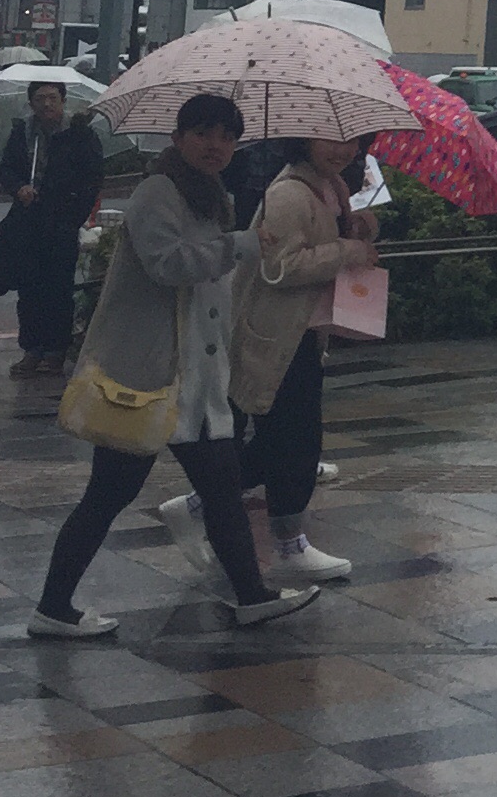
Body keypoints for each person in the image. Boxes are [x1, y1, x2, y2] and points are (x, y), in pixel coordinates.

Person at [27, 93, 316, 636]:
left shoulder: (213, 196)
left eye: (228, 136)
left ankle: (251, 595)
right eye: (204, 133)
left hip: (198, 379)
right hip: (150, 377)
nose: (217, 146)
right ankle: (52, 607)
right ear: (179, 137)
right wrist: (240, 244)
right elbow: (169, 264)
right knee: (108, 495)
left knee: (223, 490)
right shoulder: (156, 192)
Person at [226, 133, 378, 583]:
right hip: (278, 335)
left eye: (353, 142)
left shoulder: (331, 186)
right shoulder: (289, 192)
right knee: (295, 440)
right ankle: (289, 546)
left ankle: (206, 498)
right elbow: (281, 268)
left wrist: (359, 230)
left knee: (284, 438)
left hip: (305, 333)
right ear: (304, 140)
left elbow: (323, 242)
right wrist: (348, 251)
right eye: (331, 141)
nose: (343, 150)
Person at [0, 81, 105, 382]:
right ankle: (32, 348)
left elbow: (93, 176)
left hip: (61, 221)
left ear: (63, 101)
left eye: (52, 98)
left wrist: (73, 215)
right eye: (40, 98)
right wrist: (19, 188)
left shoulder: (79, 134)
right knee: (29, 286)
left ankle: (55, 350)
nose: (46, 104)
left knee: (57, 287)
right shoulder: (23, 133)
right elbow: (5, 169)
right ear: (31, 103)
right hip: (28, 219)